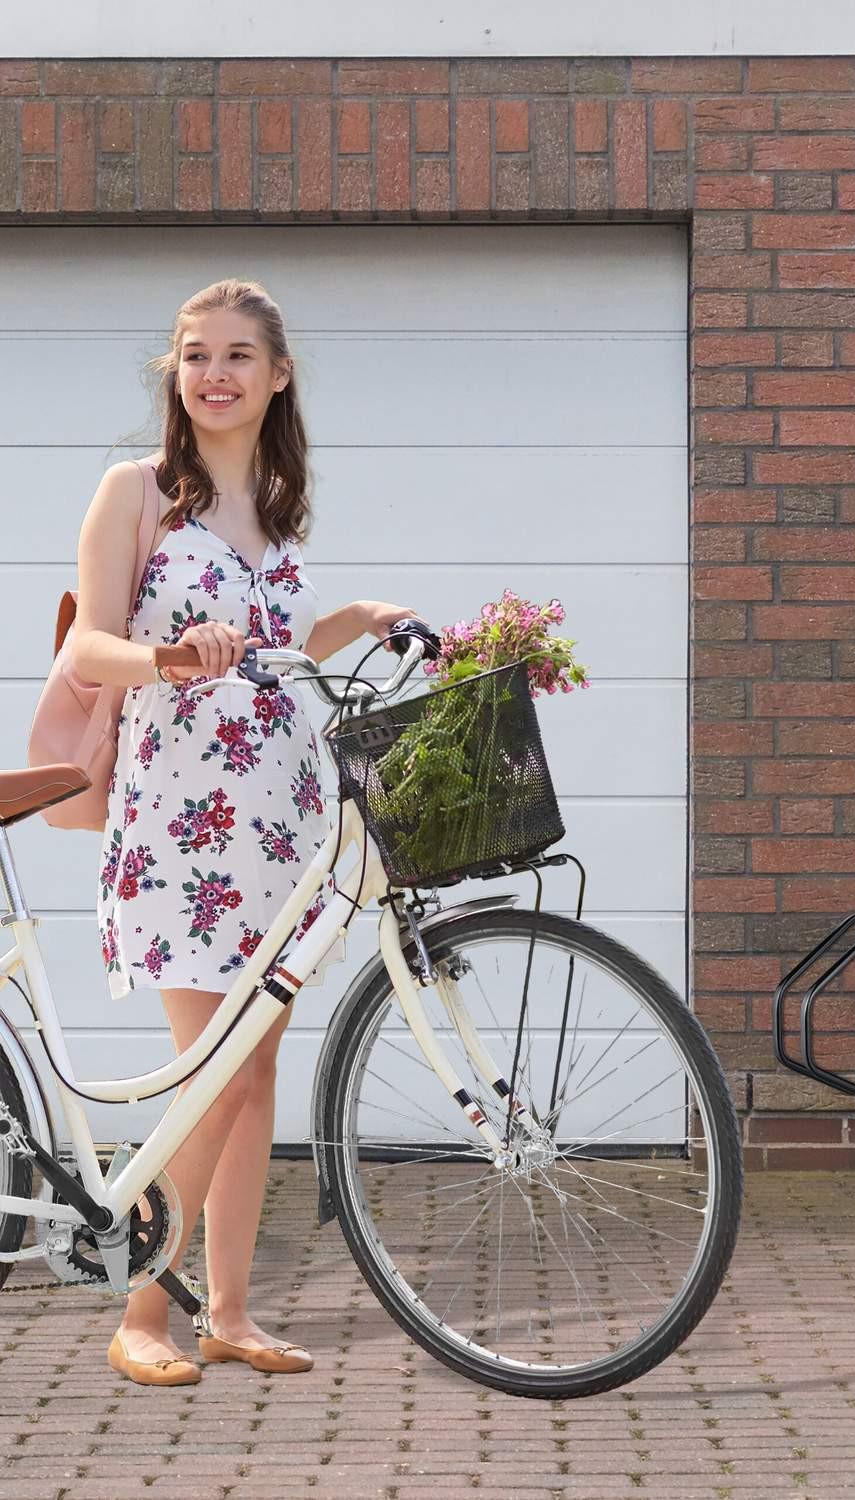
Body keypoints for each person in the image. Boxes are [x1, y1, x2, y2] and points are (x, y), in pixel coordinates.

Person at [70, 278, 423, 1386]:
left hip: (282, 816)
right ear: (176, 376)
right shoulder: (136, 494)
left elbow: (280, 642)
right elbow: (91, 651)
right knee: (208, 1076)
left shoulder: (274, 510)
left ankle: (228, 1309)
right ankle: (143, 1314)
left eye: (236, 355)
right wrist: (171, 659)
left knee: (258, 1070)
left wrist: (354, 618)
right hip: (184, 820)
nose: (213, 373)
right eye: (193, 355)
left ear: (277, 376)